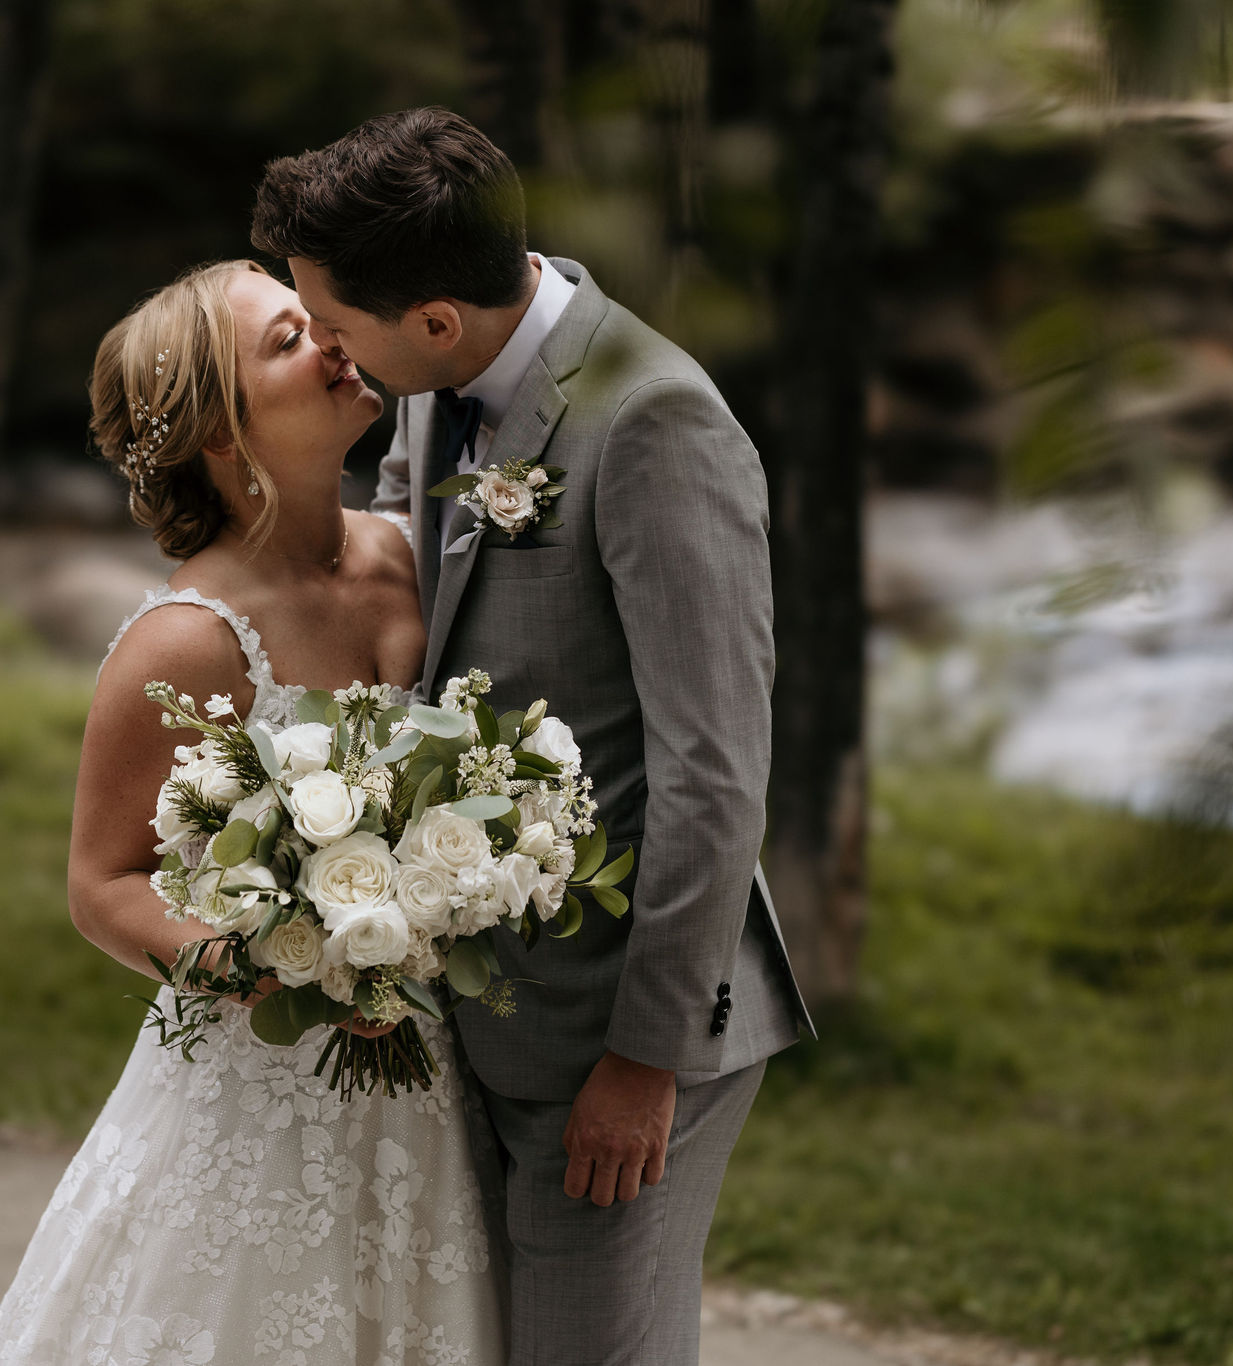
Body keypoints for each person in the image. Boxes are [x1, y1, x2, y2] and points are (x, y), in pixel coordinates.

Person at [250, 106, 813, 1365]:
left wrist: (643, 1060)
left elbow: (715, 779)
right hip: (481, 998)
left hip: (619, 1025)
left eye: (337, 329)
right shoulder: (434, 384)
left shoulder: (658, 422)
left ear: (436, 320)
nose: (334, 355)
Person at [0, 259, 505, 1365]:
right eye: (285, 342)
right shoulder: (186, 641)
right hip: (266, 1089)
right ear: (223, 435)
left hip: (443, 1085)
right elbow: (101, 883)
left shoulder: (418, 553)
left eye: (317, 322)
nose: (331, 342)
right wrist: (271, 958)